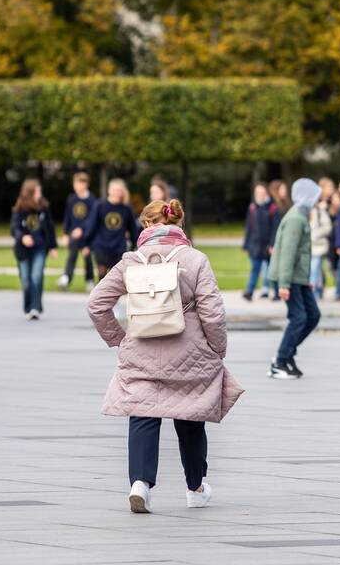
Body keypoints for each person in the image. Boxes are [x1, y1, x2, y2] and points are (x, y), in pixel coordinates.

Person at [87, 198, 243, 514]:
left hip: (142, 348)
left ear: (147, 224)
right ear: (179, 224)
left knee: (143, 414)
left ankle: (140, 485)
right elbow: (213, 313)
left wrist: (119, 339)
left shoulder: (131, 261)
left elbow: (96, 303)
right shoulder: (196, 260)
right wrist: (217, 349)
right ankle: (195, 487)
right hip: (189, 351)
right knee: (190, 415)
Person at [268, 179, 323, 379]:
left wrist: (305, 278)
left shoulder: (301, 215)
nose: (317, 200)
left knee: (313, 315)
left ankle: (288, 353)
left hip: (298, 277)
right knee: (299, 318)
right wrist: (283, 284)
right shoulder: (295, 219)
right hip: (288, 277)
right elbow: (288, 253)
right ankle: (279, 362)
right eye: (315, 196)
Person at [10, 179, 58, 320]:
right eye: (37, 191)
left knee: (36, 277)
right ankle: (28, 307)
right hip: (23, 251)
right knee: (26, 280)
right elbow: (14, 228)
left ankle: (35, 308)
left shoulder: (43, 208)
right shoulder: (19, 209)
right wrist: (22, 237)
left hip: (40, 248)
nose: (40, 193)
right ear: (30, 193)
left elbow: (50, 228)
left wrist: (53, 247)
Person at [84, 178, 142, 281]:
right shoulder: (100, 205)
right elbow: (91, 225)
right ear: (109, 190)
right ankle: (101, 296)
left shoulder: (126, 208)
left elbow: (132, 229)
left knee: (115, 279)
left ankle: (113, 297)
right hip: (101, 247)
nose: (116, 193)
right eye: (114, 190)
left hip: (119, 248)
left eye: (118, 190)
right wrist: (86, 244)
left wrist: (135, 246)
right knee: (102, 277)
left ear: (122, 192)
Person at [59, 171, 97, 292]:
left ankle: (89, 280)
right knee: (72, 255)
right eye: (76, 184)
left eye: (81, 184)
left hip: (87, 235)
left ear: (86, 184)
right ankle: (66, 277)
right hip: (74, 235)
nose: (78, 186)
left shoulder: (92, 200)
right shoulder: (72, 199)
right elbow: (67, 217)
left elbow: (92, 218)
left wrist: (82, 229)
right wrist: (65, 234)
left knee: (87, 258)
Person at [241, 182, 279, 301]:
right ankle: (249, 292)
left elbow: (275, 228)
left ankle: (277, 293)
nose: (260, 195)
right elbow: (249, 227)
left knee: (272, 271)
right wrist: (246, 245)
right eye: (257, 193)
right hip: (255, 246)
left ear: (266, 193)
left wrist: (273, 245)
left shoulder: (273, 208)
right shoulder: (253, 208)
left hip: (268, 246)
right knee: (255, 269)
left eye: (262, 193)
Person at [309, 190, 333, 299]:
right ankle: (318, 289)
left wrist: (315, 234)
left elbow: (327, 227)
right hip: (307, 247)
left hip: (318, 246)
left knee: (315, 269)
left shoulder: (319, 212)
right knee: (315, 270)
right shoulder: (303, 212)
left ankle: (314, 292)